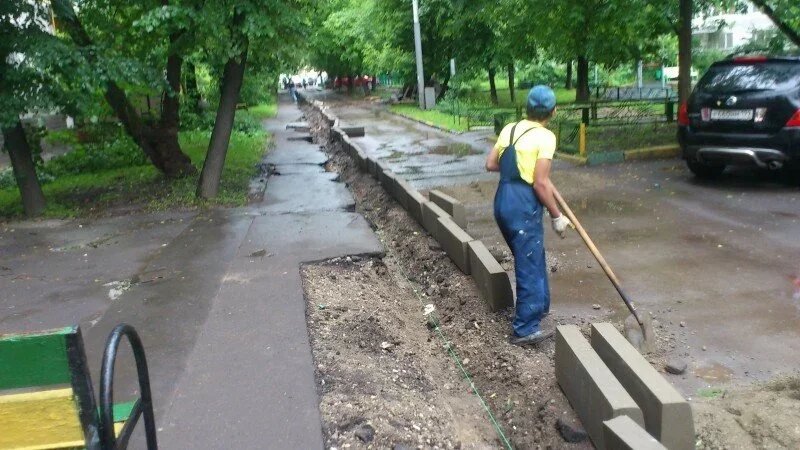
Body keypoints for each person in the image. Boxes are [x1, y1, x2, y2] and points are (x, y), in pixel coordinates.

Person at [485, 85, 573, 346]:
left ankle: (540, 307)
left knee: (532, 256)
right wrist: (557, 216)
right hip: (523, 204)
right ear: (553, 111)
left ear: (527, 108)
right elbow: (540, 183)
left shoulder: (509, 129)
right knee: (529, 263)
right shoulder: (545, 137)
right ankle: (524, 328)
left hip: (503, 200)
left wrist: (522, 166)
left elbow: (491, 164)